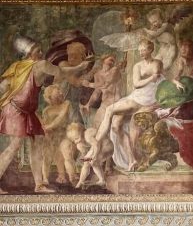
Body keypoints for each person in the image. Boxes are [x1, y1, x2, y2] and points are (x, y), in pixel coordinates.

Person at [0, 35, 91, 193]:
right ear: (29, 53)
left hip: (27, 113)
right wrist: (82, 66)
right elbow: (60, 71)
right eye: (38, 50)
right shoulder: (36, 65)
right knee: (14, 146)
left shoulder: (18, 67)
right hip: (16, 110)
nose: (41, 53)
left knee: (38, 144)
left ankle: (39, 185)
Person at [89, 38, 163, 172]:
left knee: (110, 110)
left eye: (143, 50)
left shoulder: (157, 63)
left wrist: (152, 79)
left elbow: (157, 80)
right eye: (139, 50)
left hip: (147, 98)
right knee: (116, 126)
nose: (141, 52)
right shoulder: (137, 66)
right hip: (138, 95)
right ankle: (131, 159)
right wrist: (151, 78)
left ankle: (93, 148)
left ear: (151, 50)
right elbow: (136, 84)